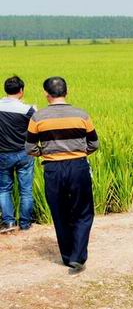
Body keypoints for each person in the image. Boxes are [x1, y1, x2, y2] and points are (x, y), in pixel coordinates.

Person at [25, 77, 99, 274]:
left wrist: (47, 153)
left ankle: (67, 257)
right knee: (83, 212)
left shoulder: (38, 118)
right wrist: (78, 152)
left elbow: (30, 148)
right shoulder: (82, 115)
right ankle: (78, 257)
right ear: (67, 92)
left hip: (53, 168)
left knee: (59, 212)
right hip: (78, 166)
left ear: (46, 94)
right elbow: (94, 144)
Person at [0, 76, 36, 232]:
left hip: (2, 154)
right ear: (21, 91)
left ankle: (8, 223)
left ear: (5, 90)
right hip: (24, 154)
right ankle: (25, 224)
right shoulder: (28, 110)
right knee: (26, 190)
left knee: (4, 189)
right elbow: (37, 128)